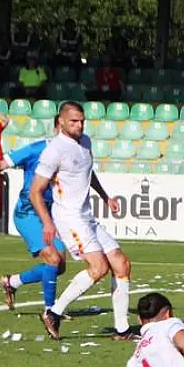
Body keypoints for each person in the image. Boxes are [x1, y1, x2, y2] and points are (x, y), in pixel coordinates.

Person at [0, 117, 89, 313]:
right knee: (53, 260)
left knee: (59, 266)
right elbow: (1, 164)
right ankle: (51, 312)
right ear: (57, 128)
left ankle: (12, 282)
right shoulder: (36, 149)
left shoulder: (74, 153)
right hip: (27, 213)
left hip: (49, 213)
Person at [31, 101, 137, 340]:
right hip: (68, 217)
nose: (79, 125)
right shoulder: (54, 150)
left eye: (82, 121)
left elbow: (87, 172)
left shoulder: (85, 141)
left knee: (122, 264)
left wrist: (105, 196)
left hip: (86, 215)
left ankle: (122, 329)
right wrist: (47, 222)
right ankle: (54, 313)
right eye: (73, 121)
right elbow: (35, 190)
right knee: (99, 267)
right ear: (61, 121)